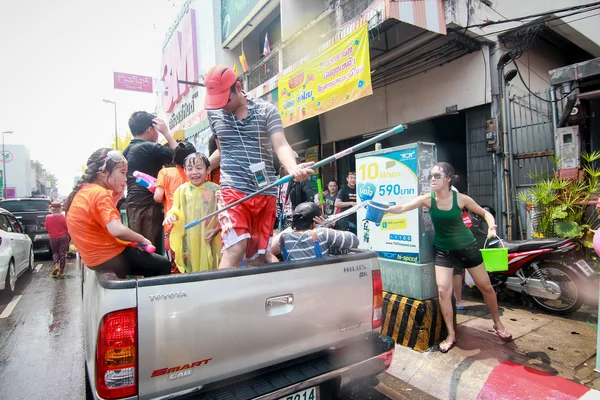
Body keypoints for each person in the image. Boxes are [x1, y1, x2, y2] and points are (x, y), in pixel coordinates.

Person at [386, 162, 511, 353]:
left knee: (485, 287)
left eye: (437, 176)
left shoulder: (460, 199)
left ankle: (497, 322)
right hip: (444, 250)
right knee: (444, 290)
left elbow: (485, 213)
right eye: (431, 176)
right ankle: (451, 333)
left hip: (467, 247)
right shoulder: (427, 199)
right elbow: (403, 207)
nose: (433, 179)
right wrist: (386, 208)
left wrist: (492, 227)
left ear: (448, 179)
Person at [204, 65, 313, 268]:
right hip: (232, 191)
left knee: (258, 258)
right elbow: (222, 149)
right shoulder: (214, 114)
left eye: (225, 100)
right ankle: (221, 299)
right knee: (235, 250)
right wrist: (202, 167)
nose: (221, 107)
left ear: (237, 87)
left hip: (265, 192)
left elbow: (280, 144)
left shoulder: (266, 111)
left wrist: (293, 168)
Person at [65, 148, 171, 278]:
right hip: (109, 256)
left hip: (94, 260)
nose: (125, 178)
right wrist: (142, 239)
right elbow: (117, 230)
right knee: (164, 264)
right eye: (122, 172)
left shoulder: (84, 191)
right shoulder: (99, 193)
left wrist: (114, 199)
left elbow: (99, 220)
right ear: (103, 172)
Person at [123, 111, 177, 255]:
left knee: (140, 249)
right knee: (150, 252)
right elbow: (181, 156)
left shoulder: (127, 150)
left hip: (133, 205)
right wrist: (166, 132)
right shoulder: (149, 147)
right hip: (148, 207)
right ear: (150, 129)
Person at [163, 153, 221, 273]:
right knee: (190, 266)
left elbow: (222, 212)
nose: (194, 172)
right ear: (185, 170)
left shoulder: (215, 190)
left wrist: (217, 229)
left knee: (211, 264)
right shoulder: (181, 191)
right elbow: (176, 208)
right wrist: (172, 215)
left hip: (208, 236)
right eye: (190, 169)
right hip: (189, 237)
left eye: (199, 168)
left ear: (208, 169)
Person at [270, 202, 359, 261]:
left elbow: (270, 249)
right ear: (316, 220)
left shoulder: (283, 239)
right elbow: (354, 240)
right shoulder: (322, 233)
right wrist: (324, 227)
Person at [154, 141, 196, 256]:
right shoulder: (197, 174)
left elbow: (157, 197)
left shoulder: (165, 172)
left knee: (175, 263)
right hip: (195, 226)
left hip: (173, 226)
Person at [276, 152, 316, 231]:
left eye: (296, 162)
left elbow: (310, 199)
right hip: (282, 220)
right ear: (282, 164)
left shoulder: (301, 180)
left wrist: (304, 218)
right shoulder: (278, 181)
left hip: (296, 219)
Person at [44, 201, 70, 278]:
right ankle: (61, 272)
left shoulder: (48, 217)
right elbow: (67, 227)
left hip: (53, 237)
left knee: (55, 253)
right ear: (60, 208)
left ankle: (56, 266)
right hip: (63, 236)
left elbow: (47, 227)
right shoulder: (63, 216)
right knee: (62, 253)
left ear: (51, 209)